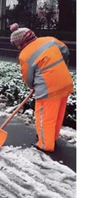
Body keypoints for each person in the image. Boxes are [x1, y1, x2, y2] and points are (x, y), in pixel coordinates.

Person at [10, 23, 74, 152]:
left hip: (48, 89)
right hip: (65, 82)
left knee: (44, 118)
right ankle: (52, 139)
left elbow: (28, 78)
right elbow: (65, 50)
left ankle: (45, 145)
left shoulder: (25, 54)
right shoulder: (50, 40)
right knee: (57, 115)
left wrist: (33, 86)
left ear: (19, 44)